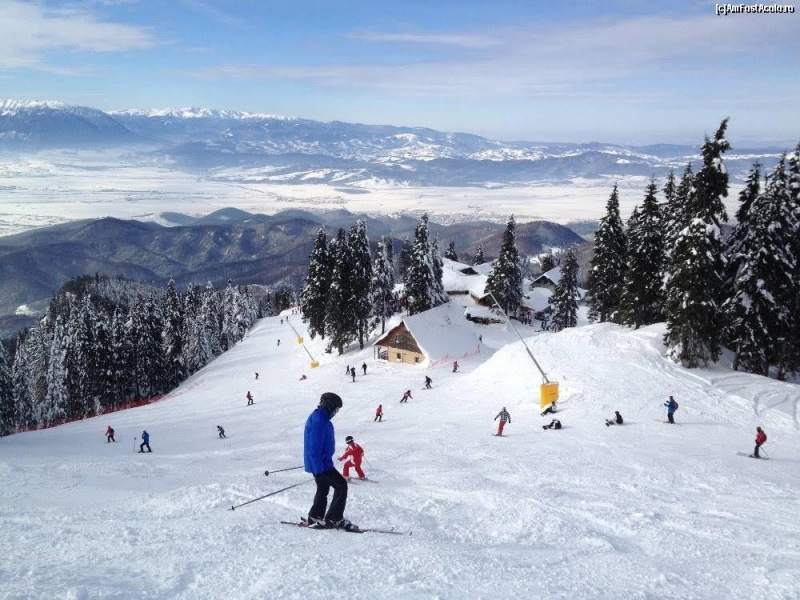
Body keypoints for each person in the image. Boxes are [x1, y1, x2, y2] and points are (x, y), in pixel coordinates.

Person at [304, 392, 358, 531]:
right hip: (321, 465)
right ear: (329, 406)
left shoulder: (320, 417)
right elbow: (314, 447)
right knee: (341, 486)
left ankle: (315, 516)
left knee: (323, 488)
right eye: (336, 409)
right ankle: (334, 519)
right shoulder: (319, 420)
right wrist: (319, 470)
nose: (336, 412)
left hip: (321, 463)